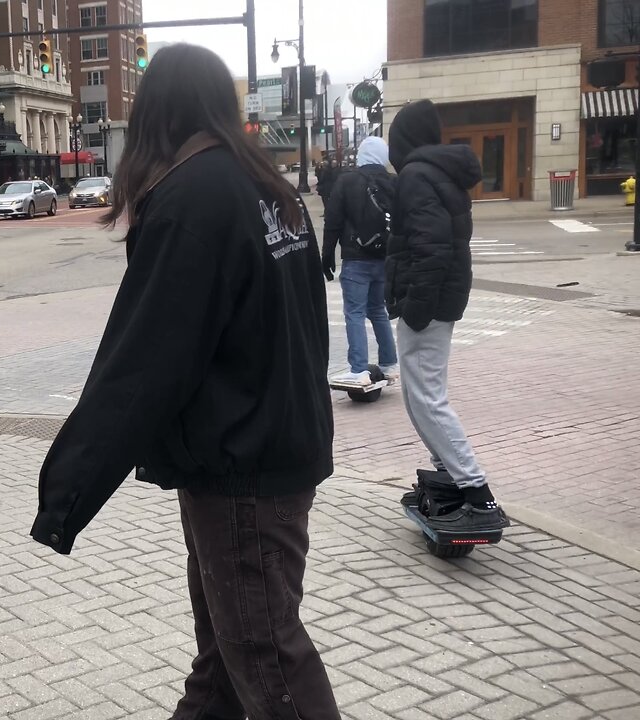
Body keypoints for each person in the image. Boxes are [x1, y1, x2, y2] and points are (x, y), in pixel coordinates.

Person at [30, 44, 339, 720]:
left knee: (264, 656)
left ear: (156, 114)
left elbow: (144, 362)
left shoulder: (190, 200)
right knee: (228, 659)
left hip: (242, 467)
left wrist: (66, 497)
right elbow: (307, 328)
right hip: (278, 446)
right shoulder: (271, 190)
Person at [387, 99, 509, 535]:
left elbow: (432, 246)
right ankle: (452, 477)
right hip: (439, 299)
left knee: (426, 397)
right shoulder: (435, 174)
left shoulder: (417, 177)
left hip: (429, 304)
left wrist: (415, 309)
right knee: (420, 395)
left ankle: (477, 494)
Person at [323, 137, 396, 385]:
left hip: (356, 258)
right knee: (378, 311)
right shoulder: (392, 182)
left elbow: (332, 222)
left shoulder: (347, 180)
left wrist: (327, 255)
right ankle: (389, 363)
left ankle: (358, 369)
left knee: (354, 312)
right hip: (384, 258)